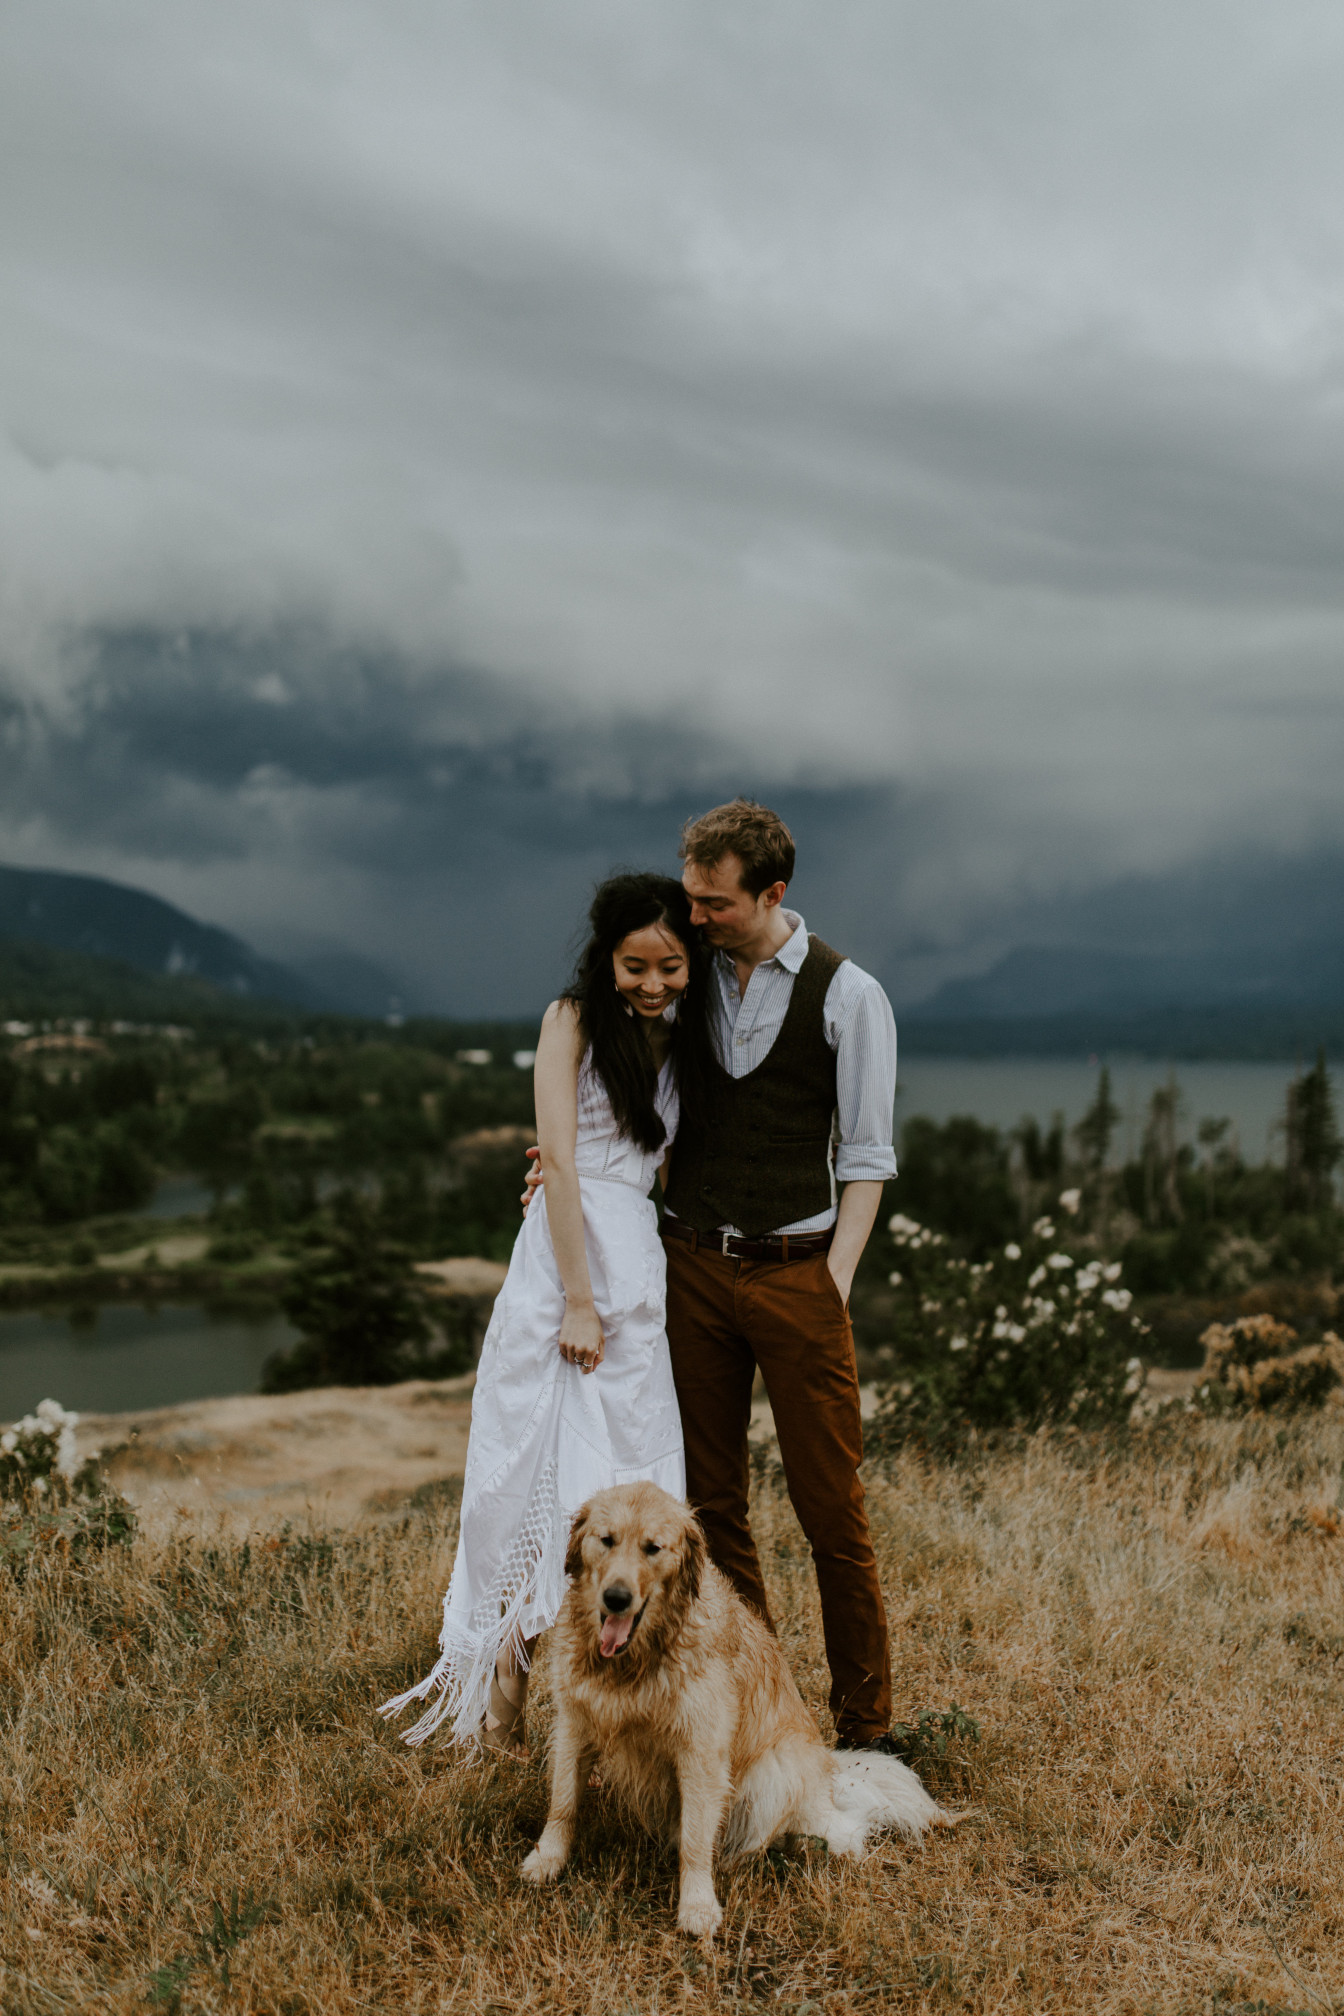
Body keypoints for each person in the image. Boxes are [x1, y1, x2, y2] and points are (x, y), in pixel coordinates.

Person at [381, 873, 706, 1756]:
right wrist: (578, 1302)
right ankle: (502, 1699)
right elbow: (559, 1164)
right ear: (606, 959)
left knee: (628, 1470)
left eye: (670, 966)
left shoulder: (684, 1037)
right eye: (635, 966)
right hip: (568, 1264)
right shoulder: (569, 1020)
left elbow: (662, 1169)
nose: (652, 983)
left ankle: (614, 1700)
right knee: (533, 1473)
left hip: (637, 1259)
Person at [662, 799, 900, 1754]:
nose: (696, 916)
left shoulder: (850, 996)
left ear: (771, 893)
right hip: (692, 1266)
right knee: (710, 1509)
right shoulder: (684, 973)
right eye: (690, 898)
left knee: (830, 1509)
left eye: (714, 902)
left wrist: (831, 1280)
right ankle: (753, 1711)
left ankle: (868, 1730)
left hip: (798, 1272)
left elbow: (870, 1157)